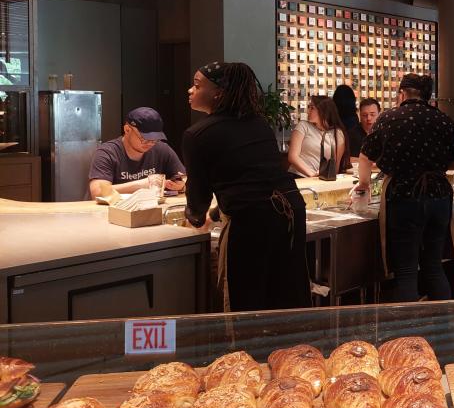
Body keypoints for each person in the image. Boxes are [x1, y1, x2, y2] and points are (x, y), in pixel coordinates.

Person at [182, 61, 310, 312]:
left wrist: (197, 218)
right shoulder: (258, 123)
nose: (190, 90)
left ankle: (250, 351)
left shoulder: (197, 135)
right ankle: (290, 351)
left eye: (197, 85)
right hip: (290, 212)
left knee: (248, 302)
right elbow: (256, 178)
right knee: (287, 296)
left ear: (218, 92)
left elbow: (198, 197)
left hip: (252, 222)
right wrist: (216, 213)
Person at [356, 74, 454, 302]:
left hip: (404, 197)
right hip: (438, 197)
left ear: (402, 94)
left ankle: (409, 334)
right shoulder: (442, 119)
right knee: (434, 267)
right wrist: (434, 168)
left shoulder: (388, 118)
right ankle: (443, 326)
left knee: (406, 271)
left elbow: (366, 156)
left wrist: (363, 184)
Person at [88, 107, 185, 199]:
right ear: (127, 130)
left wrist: (180, 186)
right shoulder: (107, 152)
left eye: (155, 139)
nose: (151, 143)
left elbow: (185, 179)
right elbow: (97, 192)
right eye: (144, 138)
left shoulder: (161, 149)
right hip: (114, 212)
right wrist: (143, 185)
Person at [287, 95, 346, 179]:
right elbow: (293, 156)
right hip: (298, 176)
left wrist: (324, 175)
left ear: (323, 111)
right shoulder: (303, 126)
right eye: (309, 107)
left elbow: (335, 165)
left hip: (322, 179)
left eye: (312, 108)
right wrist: (312, 174)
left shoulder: (338, 134)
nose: (308, 111)